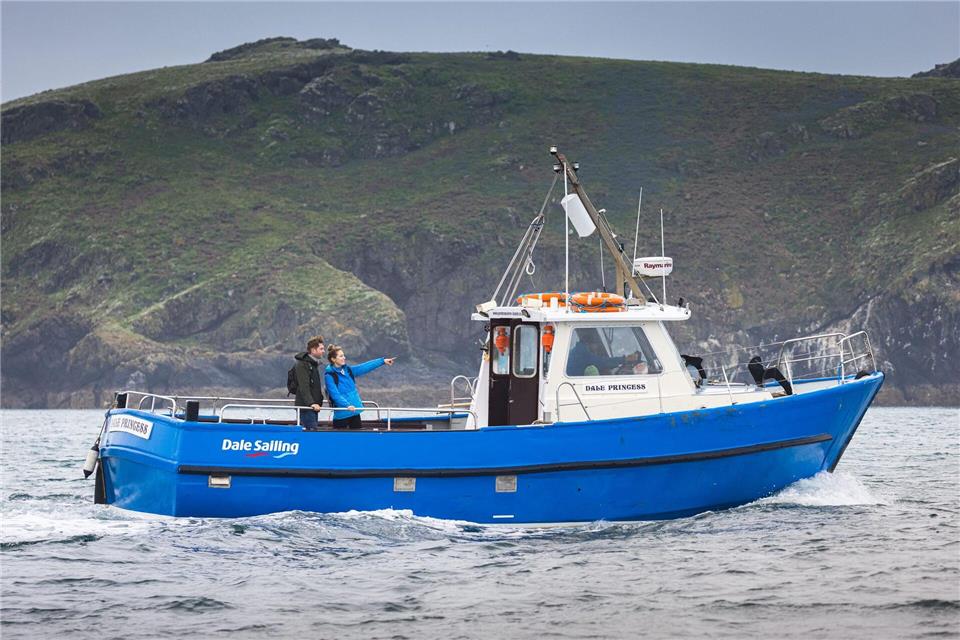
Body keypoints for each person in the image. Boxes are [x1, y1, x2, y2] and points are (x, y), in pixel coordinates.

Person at [324, 344, 395, 429]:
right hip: (342, 414)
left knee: (357, 440)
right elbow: (335, 395)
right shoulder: (329, 376)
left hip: (355, 412)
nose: (344, 357)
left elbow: (364, 367)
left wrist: (382, 361)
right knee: (340, 440)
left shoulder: (348, 370)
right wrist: (347, 405)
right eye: (341, 356)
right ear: (333, 359)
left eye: (344, 355)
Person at [566, 329, 640, 376]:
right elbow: (602, 362)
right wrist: (625, 359)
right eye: (596, 344)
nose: (597, 347)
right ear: (589, 344)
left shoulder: (577, 350)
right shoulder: (583, 354)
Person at [293, 335, 326, 429]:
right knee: (311, 432)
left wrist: (318, 401)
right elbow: (304, 386)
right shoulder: (302, 364)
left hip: (313, 408)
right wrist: (311, 403)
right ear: (313, 350)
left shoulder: (313, 364)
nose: (323, 351)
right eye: (321, 349)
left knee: (313, 431)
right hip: (306, 408)